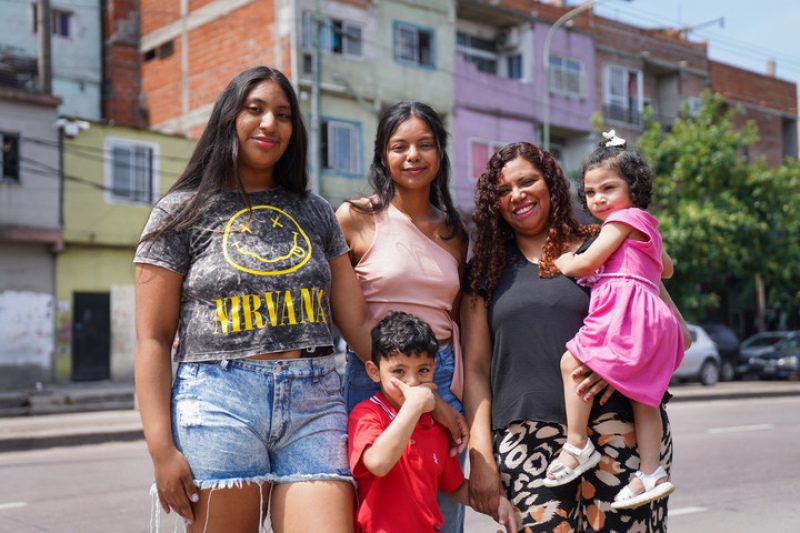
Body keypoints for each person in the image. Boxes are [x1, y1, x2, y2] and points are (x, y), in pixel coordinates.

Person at [134, 66, 374, 533]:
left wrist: (418, 386)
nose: (270, 124)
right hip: (218, 399)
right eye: (256, 109)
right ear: (229, 117)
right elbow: (153, 340)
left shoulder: (314, 210)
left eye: (283, 115)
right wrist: (161, 450)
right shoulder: (181, 210)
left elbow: (357, 322)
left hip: (314, 400)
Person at [461, 141, 686, 532]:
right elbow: (476, 368)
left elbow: (671, 327)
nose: (517, 195)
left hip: (619, 428)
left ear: (552, 184)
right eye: (502, 190)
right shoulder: (485, 269)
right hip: (525, 438)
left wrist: (619, 361)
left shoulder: (607, 243)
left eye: (528, 180)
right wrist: (481, 455)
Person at [336, 101, 469, 532]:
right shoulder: (355, 219)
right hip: (375, 372)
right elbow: (347, 315)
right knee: (376, 505)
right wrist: (413, 393)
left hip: (442, 370)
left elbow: (458, 316)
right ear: (382, 155)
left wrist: (441, 398)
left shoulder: (456, 232)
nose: (413, 156)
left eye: (425, 145)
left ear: (440, 155)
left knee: (442, 508)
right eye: (400, 146)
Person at [546, 132, 687, 510]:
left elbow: (586, 263)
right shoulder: (646, 227)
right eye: (591, 193)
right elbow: (667, 270)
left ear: (634, 188)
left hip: (625, 312)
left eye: (609, 187)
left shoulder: (622, 220)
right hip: (653, 316)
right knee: (645, 399)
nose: (599, 199)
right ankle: (651, 473)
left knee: (571, 362)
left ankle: (577, 444)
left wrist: (563, 262)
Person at [348, 311, 519, 533]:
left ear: (434, 369)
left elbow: (452, 486)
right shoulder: (367, 414)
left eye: (423, 371)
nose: (412, 382)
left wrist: (495, 504)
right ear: (374, 371)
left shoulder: (435, 428)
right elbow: (378, 463)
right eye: (399, 371)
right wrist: (414, 406)